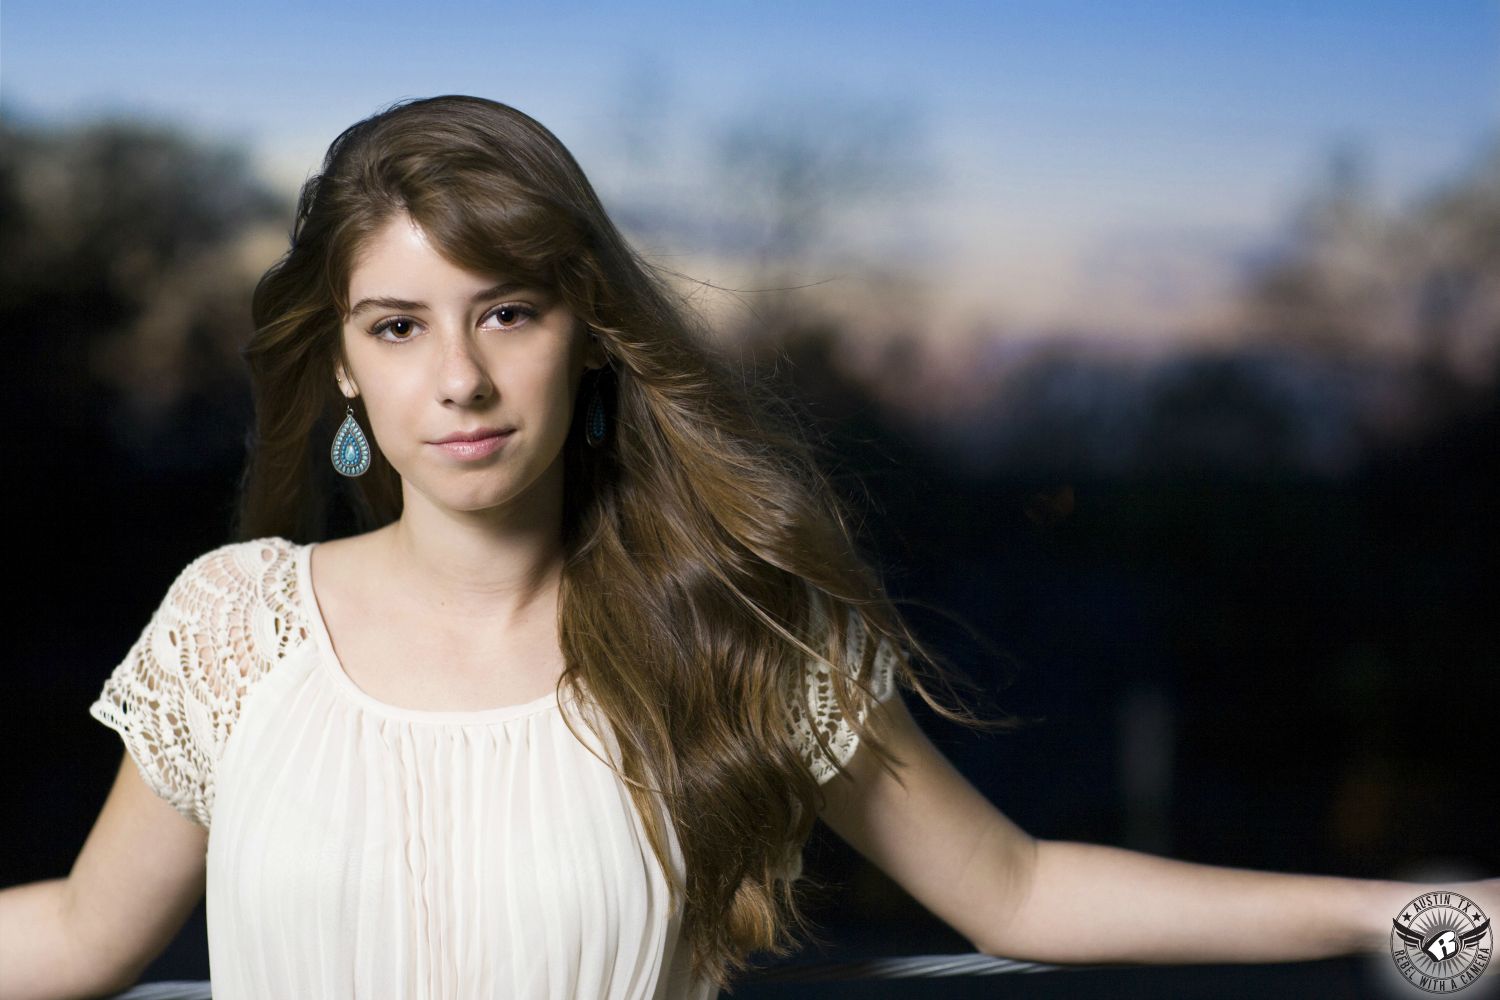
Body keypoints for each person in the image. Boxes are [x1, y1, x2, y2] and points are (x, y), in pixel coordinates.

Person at [0, 95, 1493, 1000]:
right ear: (341, 365)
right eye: (399, 327)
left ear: (588, 335)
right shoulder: (234, 622)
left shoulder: (727, 626)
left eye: (507, 311)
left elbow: (1017, 891)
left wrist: (1421, 922)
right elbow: (77, 933)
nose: (457, 377)